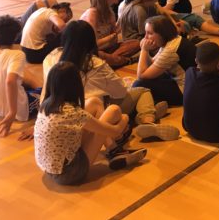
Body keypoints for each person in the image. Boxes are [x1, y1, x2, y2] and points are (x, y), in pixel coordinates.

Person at [42, 20, 177, 139]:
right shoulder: (94, 64)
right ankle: (148, 119)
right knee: (142, 90)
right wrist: (126, 84)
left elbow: (46, 90)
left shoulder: (50, 58)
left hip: (61, 115)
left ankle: (147, 112)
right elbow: (121, 92)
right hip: (98, 114)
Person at [34, 62, 146, 186]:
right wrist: (125, 118)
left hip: (49, 167)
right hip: (68, 174)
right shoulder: (72, 112)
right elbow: (115, 131)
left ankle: (113, 149)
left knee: (94, 102)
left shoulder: (46, 106)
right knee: (113, 110)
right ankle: (114, 149)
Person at [132, 16, 193, 106]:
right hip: (178, 81)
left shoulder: (171, 50)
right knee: (146, 82)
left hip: (184, 92)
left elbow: (141, 76)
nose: (145, 37)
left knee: (139, 84)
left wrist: (144, 50)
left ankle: (150, 107)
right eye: (146, 32)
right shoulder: (172, 40)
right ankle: (151, 105)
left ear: (162, 34)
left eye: (150, 33)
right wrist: (146, 51)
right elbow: (153, 64)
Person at [80, 0, 139, 68]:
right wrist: (110, 37)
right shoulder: (92, 14)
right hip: (91, 51)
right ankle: (119, 61)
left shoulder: (109, 12)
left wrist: (117, 30)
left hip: (106, 49)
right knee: (100, 54)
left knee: (136, 43)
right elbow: (92, 45)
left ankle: (110, 61)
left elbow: (114, 40)